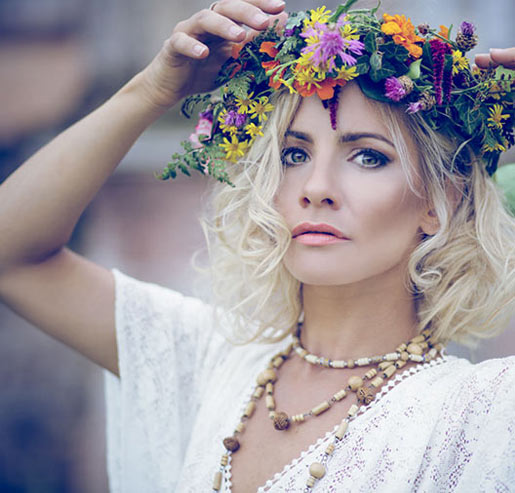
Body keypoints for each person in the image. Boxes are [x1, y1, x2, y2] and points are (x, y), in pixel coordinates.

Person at [0, 1, 514, 491]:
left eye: (368, 157)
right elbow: (12, 254)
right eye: (293, 153)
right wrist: (152, 90)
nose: (316, 186)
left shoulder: (482, 411)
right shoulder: (204, 360)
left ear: (440, 200)